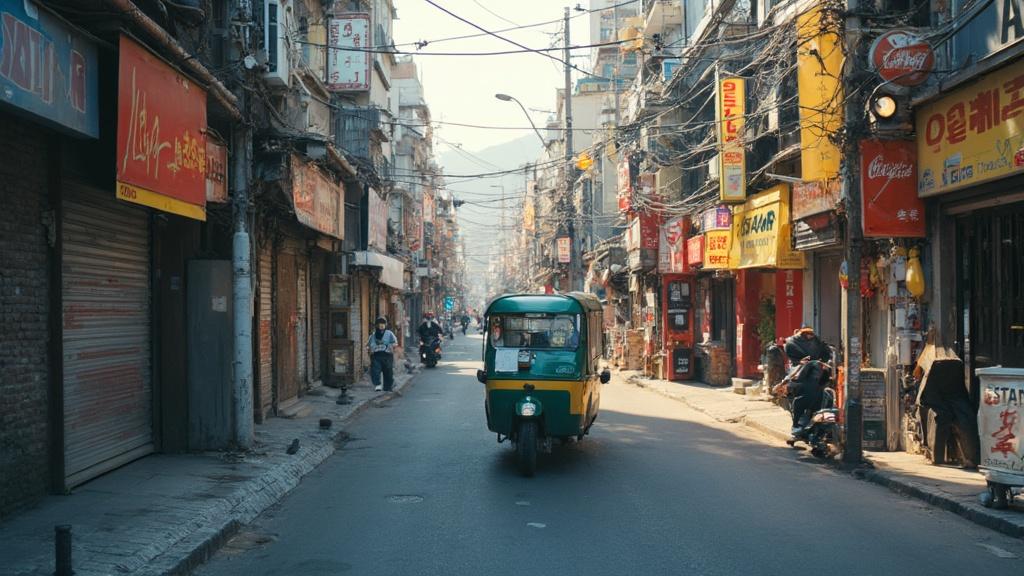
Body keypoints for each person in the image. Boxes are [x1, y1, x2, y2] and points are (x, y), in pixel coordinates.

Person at [775, 325, 832, 436]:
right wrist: (802, 362)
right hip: (800, 370)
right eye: (807, 334)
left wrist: (827, 358)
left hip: (817, 371)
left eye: (811, 334)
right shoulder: (793, 343)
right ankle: (798, 424)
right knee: (803, 396)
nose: (810, 336)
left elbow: (824, 350)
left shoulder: (816, 340)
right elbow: (794, 358)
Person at [367, 316, 398, 392]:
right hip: (376, 355)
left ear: (385, 325)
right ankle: (377, 385)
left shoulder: (389, 333)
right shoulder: (373, 335)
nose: (381, 326)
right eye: (380, 324)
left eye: (383, 324)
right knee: (375, 371)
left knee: (388, 371)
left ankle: (388, 387)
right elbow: (368, 345)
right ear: (377, 325)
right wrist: (371, 350)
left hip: (387, 355)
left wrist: (390, 346)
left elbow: (395, 343)